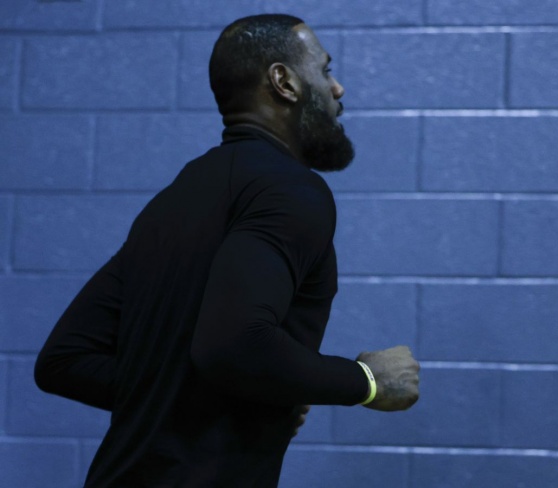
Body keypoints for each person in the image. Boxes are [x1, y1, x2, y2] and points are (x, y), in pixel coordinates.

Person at [34, 13, 420, 487]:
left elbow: (65, 360)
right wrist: (367, 381)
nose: (337, 88)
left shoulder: (175, 198)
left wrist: (253, 400)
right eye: (324, 70)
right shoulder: (290, 191)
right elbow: (235, 344)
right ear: (284, 82)